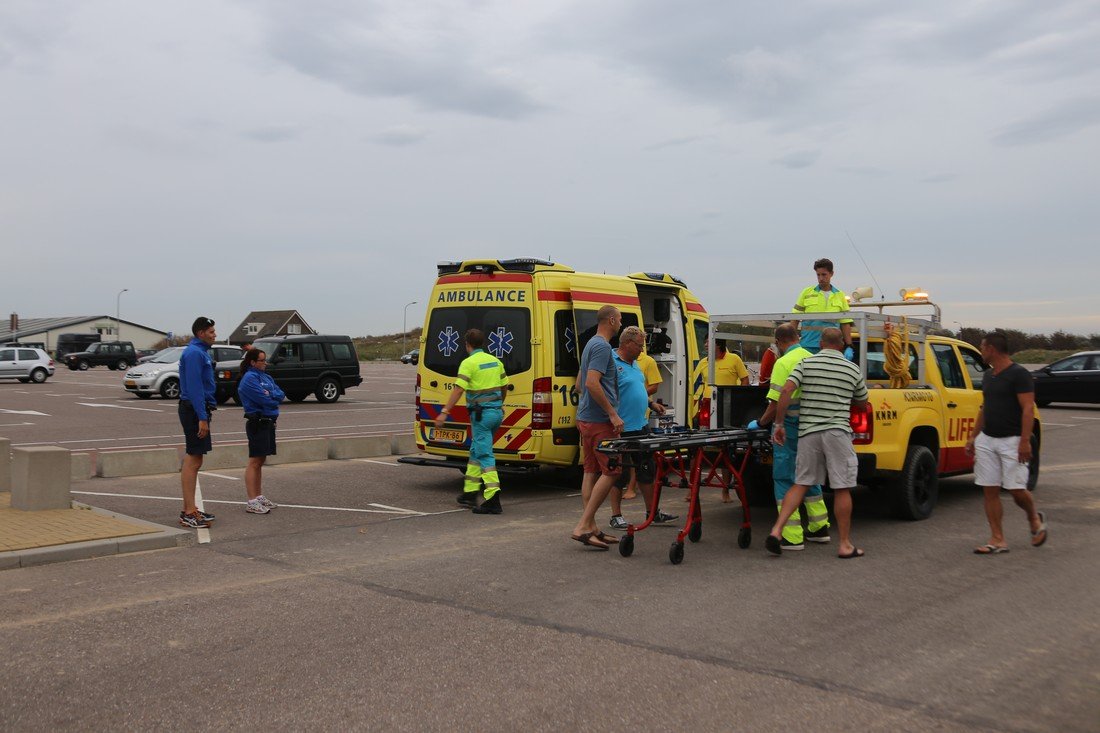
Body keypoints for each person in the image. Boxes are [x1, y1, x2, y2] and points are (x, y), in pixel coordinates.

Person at [766, 328, 868, 558]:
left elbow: (787, 391)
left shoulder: (806, 364)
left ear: (821, 343)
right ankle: (844, 544)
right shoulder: (852, 368)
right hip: (837, 433)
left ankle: (777, 530)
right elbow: (862, 403)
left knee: (800, 482)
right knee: (841, 487)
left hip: (808, 432)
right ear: (842, 345)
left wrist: (779, 424)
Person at [749, 323, 829, 550]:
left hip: (790, 427)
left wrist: (760, 423)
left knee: (784, 477)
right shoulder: (812, 358)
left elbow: (775, 403)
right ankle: (819, 527)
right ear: (798, 337)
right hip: (813, 427)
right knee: (809, 475)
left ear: (778, 342)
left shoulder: (783, 363)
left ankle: (792, 535)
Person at [965, 332, 1047, 554]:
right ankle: (997, 539)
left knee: (1016, 490)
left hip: (1012, 440)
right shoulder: (989, 375)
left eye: (982, 348)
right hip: (988, 440)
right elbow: (985, 407)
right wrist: (974, 436)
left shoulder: (1019, 374)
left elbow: (1028, 408)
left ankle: (1033, 517)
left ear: (991, 348)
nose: (981, 352)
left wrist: (1024, 442)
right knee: (989, 490)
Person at [606, 327, 678, 530]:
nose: (641, 350)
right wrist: (612, 417)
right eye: (639, 345)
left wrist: (651, 404)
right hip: (621, 427)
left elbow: (636, 389)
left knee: (647, 469)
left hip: (641, 424)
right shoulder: (610, 361)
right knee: (619, 472)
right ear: (627, 343)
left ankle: (652, 512)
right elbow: (603, 392)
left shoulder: (635, 363)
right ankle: (616, 515)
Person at [434, 329, 509, 514]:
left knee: (484, 454)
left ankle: (493, 499)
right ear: (482, 343)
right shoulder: (495, 361)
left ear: (467, 344)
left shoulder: (468, 363)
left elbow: (458, 390)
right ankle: (470, 492)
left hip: (481, 416)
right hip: (496, 414)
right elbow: (504, 385)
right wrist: (500, 404)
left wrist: (444, 412)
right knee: (476, 451)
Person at [570, 305, 624, 550]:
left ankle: (591, 527)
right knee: (613, 471)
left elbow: (580, 383)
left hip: (586, 418)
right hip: (600, 421)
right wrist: (612, 413)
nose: (621, 324)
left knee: (590, 471)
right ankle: (583, 525)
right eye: (620, 319)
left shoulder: (590, 344)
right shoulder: (602, 346)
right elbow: (591, 383)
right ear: (611, 320)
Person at [178, 316, 219, 529]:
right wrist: (202, 417)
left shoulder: (199, 351)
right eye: (211, 331)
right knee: (193, 460)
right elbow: (194, 388)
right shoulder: (194, 353)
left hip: (197, 410)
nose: (215, 334)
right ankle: (189, 512)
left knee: (195, 459)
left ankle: (191, 508)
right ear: (201, 333)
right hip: (194, 411)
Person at [237, 348, 285, 515]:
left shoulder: (266, 377)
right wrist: (271, 397)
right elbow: (264, 400)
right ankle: (251, 501)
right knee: (254, 462)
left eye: (265, 360)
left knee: (261, 461)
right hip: (257, 421)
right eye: (262, 360)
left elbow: (280, 394)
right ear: (252, 362)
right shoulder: (249, 379)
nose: (265, 363)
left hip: (269, 422)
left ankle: (258, 496)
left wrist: (270, 394)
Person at [621, 343, 662, 500]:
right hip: (626, 416)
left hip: (641, 413)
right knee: (630, 456)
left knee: (640, 457)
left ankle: (632, 487)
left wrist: (641, 396)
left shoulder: (648, 361)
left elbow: (655, 386)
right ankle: (630, 487)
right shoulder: (621, 361)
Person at [791, 258, 854, 358]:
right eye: (818, 275)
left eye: (824, 274)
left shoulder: (840, 295)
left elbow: (845, 322)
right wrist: (792, 343)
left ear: (831, 274)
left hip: (832, 346)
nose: (820, 278)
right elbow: (794, 319)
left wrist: (849, 345)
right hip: (808, 345)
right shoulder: (806, 293)